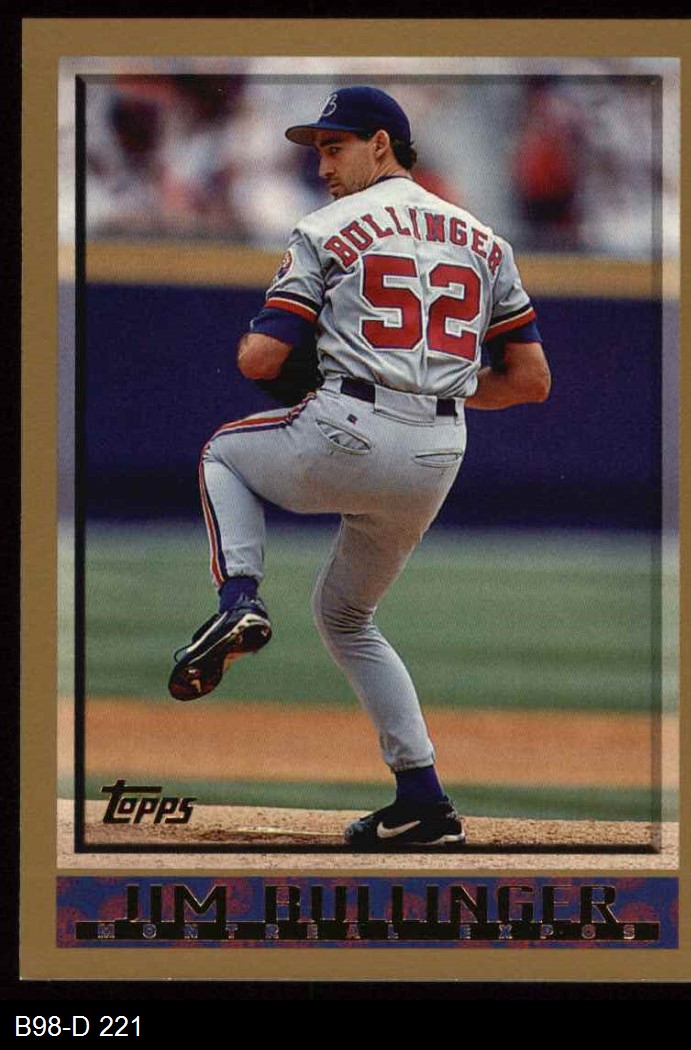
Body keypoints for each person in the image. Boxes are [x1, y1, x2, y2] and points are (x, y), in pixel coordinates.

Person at [168, 85, 551, 850]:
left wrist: (323, 367)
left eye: (334, 147)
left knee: (224, 455)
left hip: (347, 427)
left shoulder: (326, 227)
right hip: (439, 452)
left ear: (381, 144)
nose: (322, 166)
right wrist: (436, 385)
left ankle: (239, 599)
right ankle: (422, 801)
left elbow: (261, 358)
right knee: (347, 617)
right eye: (318, 151)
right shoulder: (486, 240)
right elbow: (532, 381)